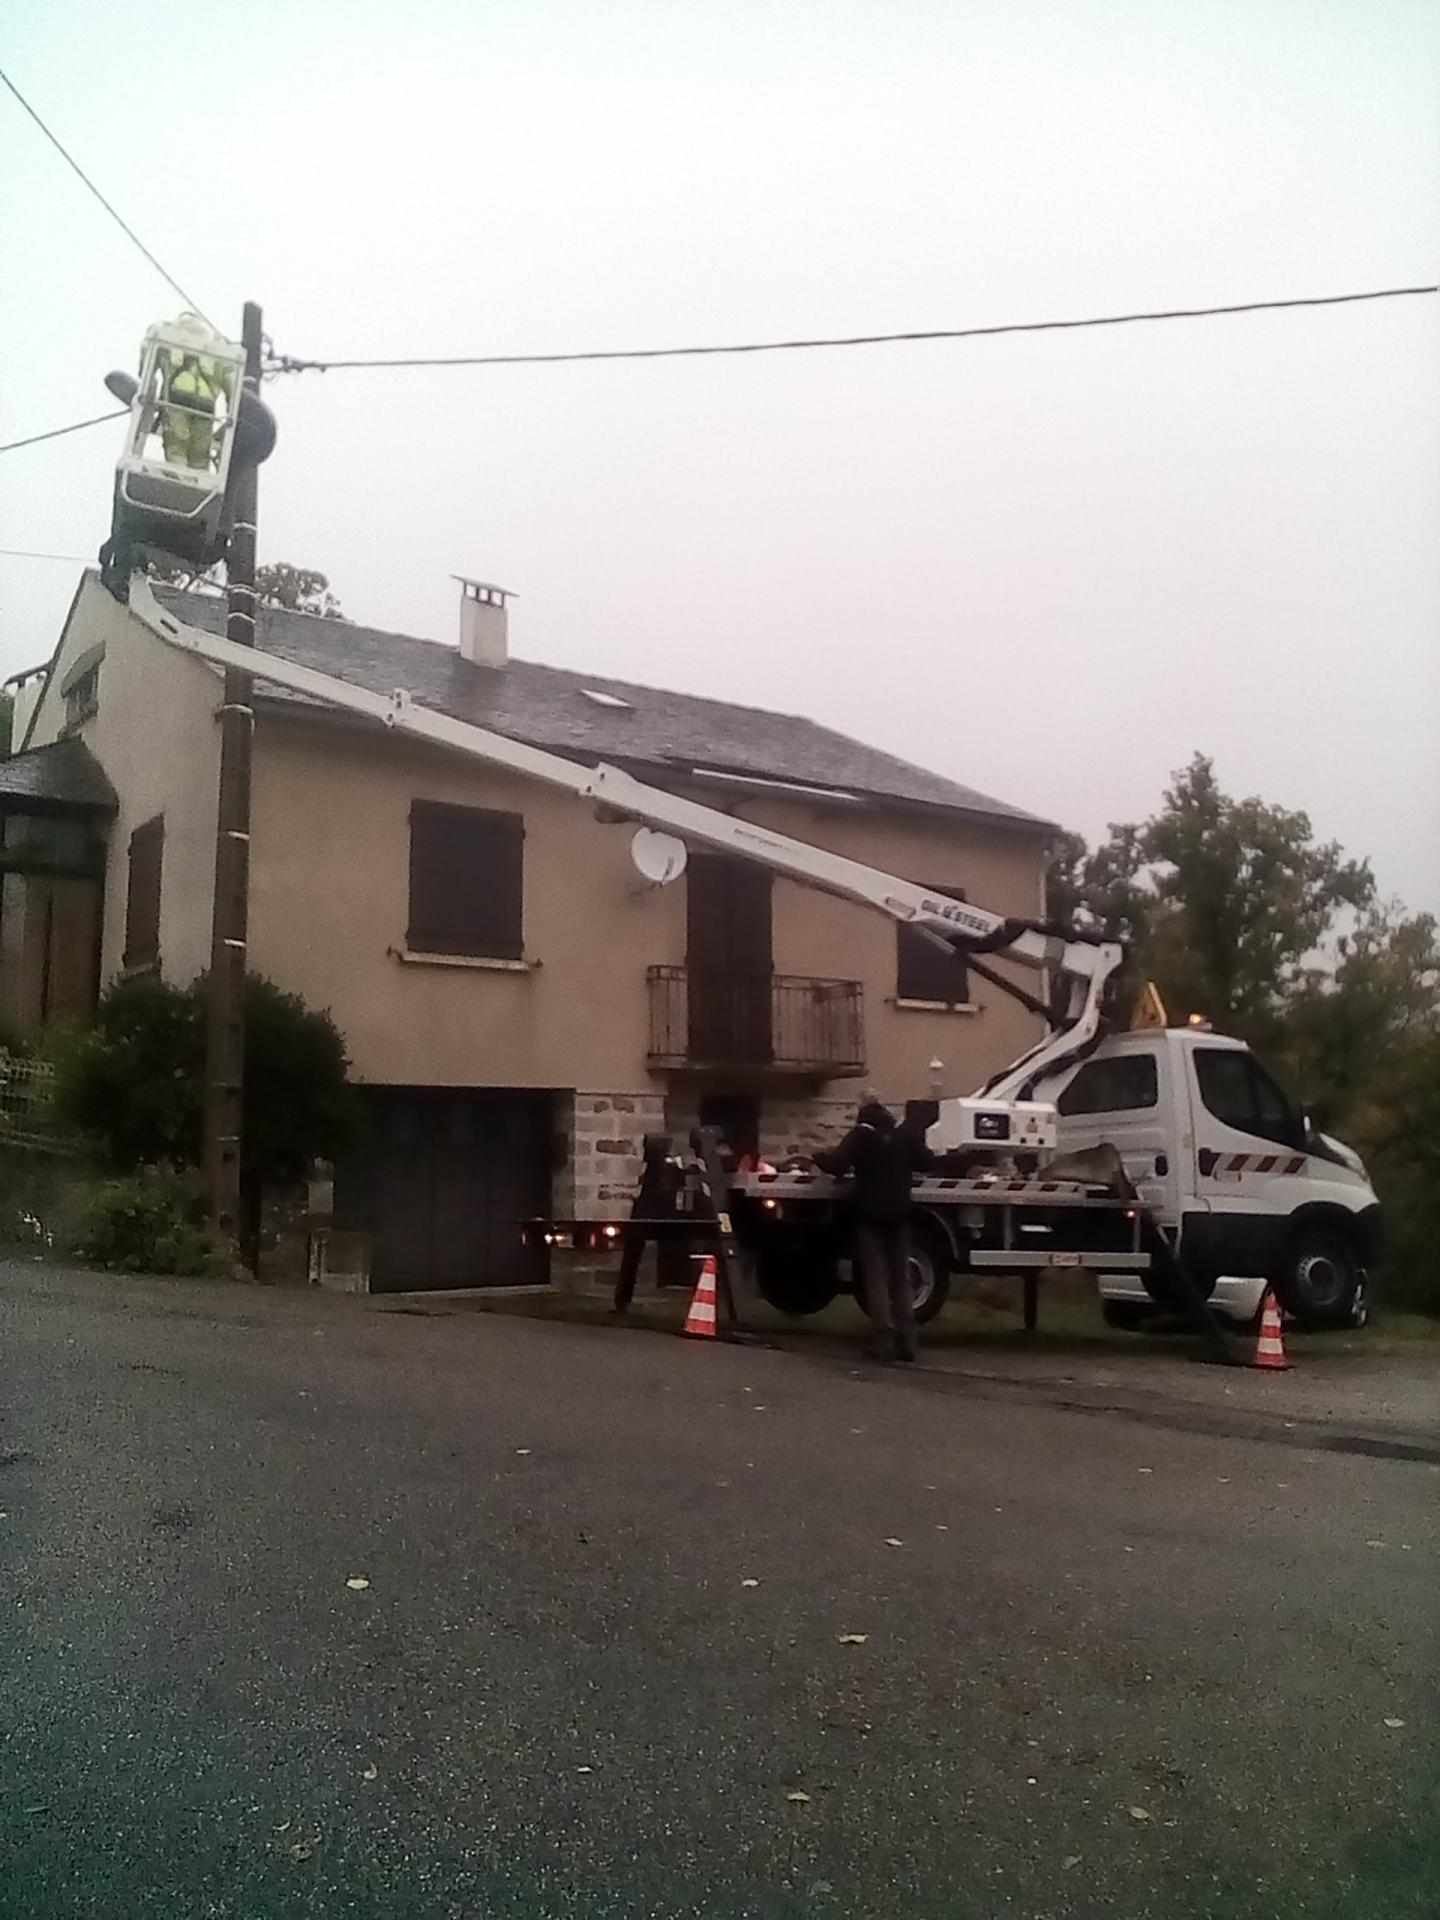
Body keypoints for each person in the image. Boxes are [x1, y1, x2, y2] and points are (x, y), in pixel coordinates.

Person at [815, 1096, 933, 1363]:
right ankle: (907, 1340)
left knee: (876, 1276)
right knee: (901, 1276)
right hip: (900, 1214)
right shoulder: (903, 1137)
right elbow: (927, 1162)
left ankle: (883, 1338)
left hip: (870, 1215)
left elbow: (837, 1164)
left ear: (863, 1118)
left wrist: (817, 1156)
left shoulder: (861, 1137)